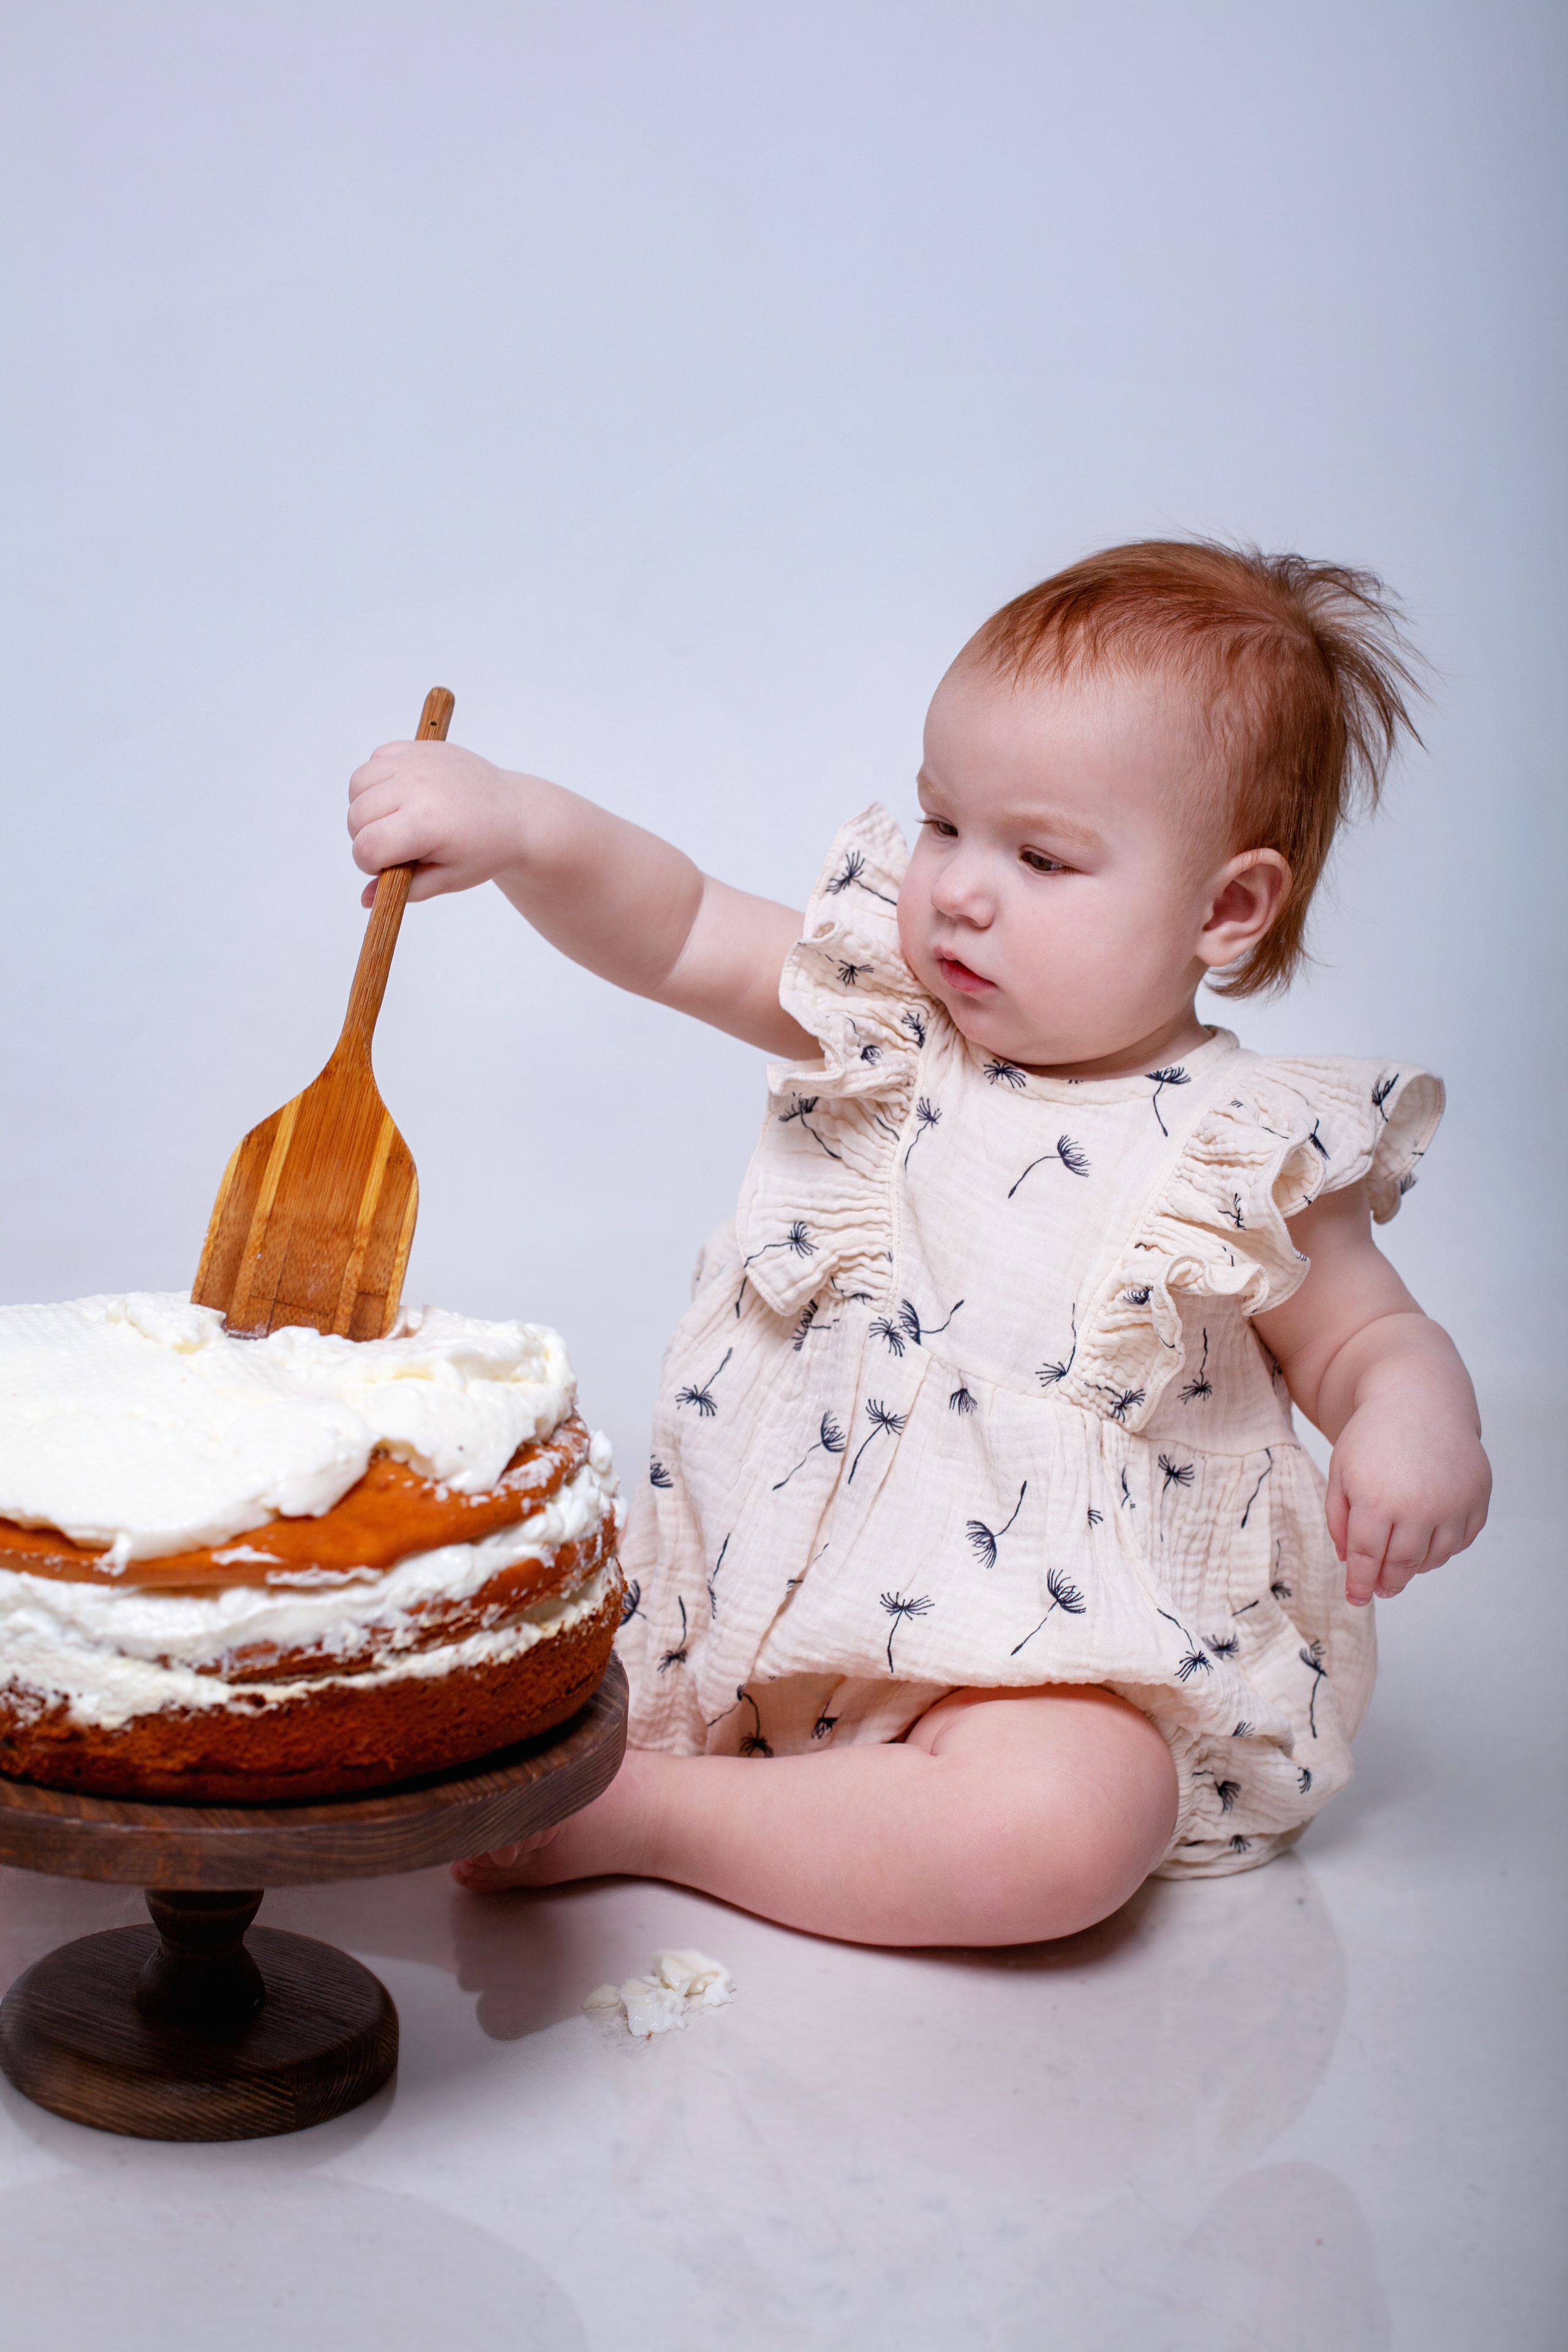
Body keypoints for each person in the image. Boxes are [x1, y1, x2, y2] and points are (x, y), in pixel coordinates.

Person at [347, 540, 1490, 1947]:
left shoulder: (1239, 1146)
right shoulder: (888, 1017)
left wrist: (1413, 1421)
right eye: (943, 822)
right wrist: (525, 826)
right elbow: (683, 924)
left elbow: (1367, 1337)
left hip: (1035, 1668)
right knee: (458, 1630)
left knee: (1065, 1831)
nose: (956, 888)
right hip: (747, 1591)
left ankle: (645, 1817)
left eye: (1041, 855)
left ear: (1224, 909)